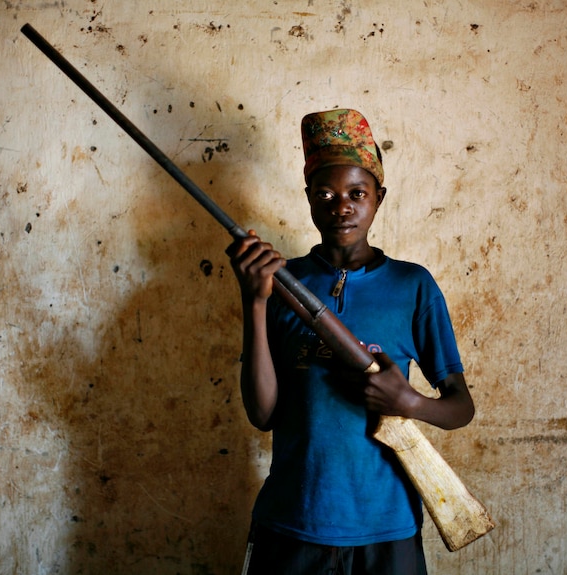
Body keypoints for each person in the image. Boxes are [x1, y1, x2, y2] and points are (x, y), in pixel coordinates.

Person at [226, 109, 475, 575]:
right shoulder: (283, 282)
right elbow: (262, 415)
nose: (341, 206)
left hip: (386, 527)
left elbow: (461, 407)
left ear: (380, 197)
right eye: (325, 193)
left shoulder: (413, 286)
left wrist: (410, 402)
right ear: (308, 200)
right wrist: (254, 300)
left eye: (357, 193)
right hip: (292, 520)